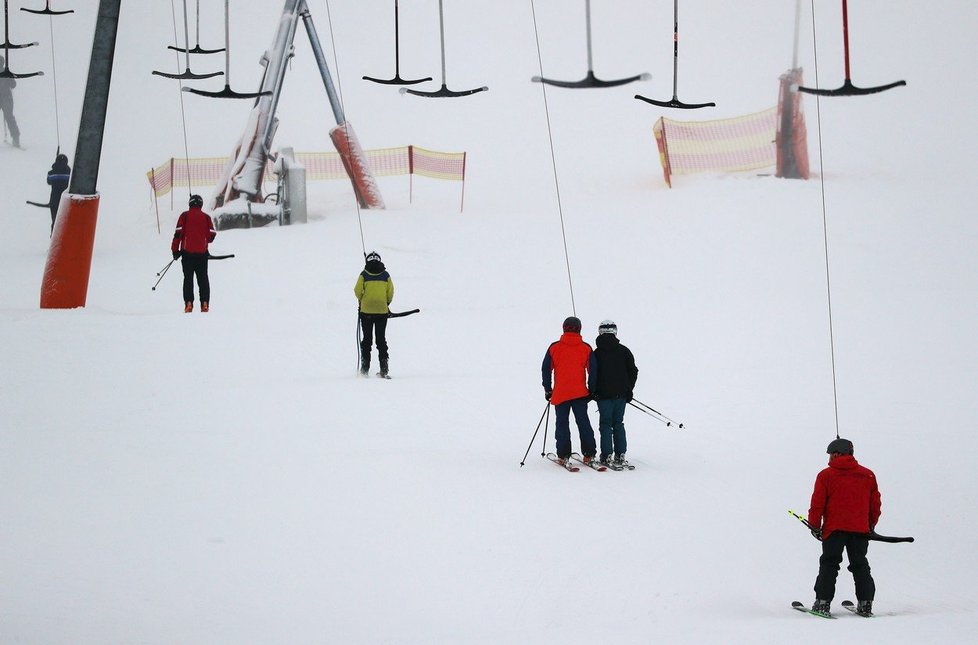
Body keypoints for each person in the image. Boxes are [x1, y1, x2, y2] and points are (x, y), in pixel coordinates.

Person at [807, 438, 881, 617]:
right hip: (860, 530)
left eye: (830, 455)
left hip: (834, 530)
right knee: (860, 565)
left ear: (837, 454)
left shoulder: (826, 475)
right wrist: (870, 525)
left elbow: (818, 504)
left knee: (829, 564)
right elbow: (875, 505)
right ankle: (865, 604)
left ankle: (822, 603)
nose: (829, 459)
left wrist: (814, 526)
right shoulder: (868, 475)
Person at [541, 316, 597, 464]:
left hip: (560, 394)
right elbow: (593, 371)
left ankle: (563, 454)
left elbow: (546, 369)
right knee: (583, 423)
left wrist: (548, 389)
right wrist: (592, 390)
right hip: (580, 393)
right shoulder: (586, 348)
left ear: (564, 328)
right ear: (579, 329)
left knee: (562, 424)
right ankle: (589, 454)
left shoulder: (554, 347)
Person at [592, 320, 639, 468]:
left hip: (603, 396)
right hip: (621, 395)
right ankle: (620, 453)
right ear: (615, 332)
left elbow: (593, 374)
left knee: (605, 424)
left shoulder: (596, 353)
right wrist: (629, 389)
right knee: (618, 423)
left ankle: (606, 455)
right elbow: (633, 371)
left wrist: (592, 391)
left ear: (600, 332)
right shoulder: (624, 350)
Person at [170, 194, 216, 313]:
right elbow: (212, 235)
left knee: (188, 279)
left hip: (187, 254)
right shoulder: (206, 217)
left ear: (190, 203)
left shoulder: (184, 216)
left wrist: (175, 250)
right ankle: (204, 303)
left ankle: (189, 303)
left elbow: (178, 234)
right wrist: (204, 240)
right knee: (203, 279)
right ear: (201, 204)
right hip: (202, 254)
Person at [354, 251, 394, 377]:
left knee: (367, 340)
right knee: (381, 339)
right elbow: (390, 292)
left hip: (366, 311)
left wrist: (362, 299)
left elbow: (357, 290)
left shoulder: (364, 274)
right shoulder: (386, 275)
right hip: (382, 311)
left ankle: (364, 370)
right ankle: (384, 369)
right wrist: (386, 303)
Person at [46, 153, 71, 234]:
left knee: (55, 221)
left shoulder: (51, 173)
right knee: (66, 222)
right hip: (66, 202)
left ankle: (53, 239)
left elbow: (49, 182)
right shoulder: (70, 173)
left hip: (54, 201)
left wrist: (56, 168)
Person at [0, 56, 21, 149]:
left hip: (6, 97)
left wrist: (9, 81)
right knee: (9, 117)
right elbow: (13, 84)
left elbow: (13, 84)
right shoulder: (6, 72)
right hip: (6, 97)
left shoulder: (6, 72)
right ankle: (16, 138)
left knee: (9, 117)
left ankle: (16, 138)